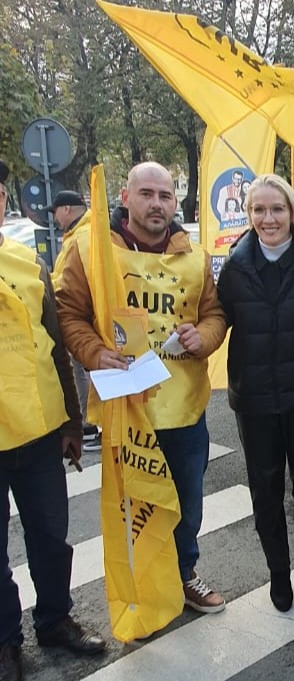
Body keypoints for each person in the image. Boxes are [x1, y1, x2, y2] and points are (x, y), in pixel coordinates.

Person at [55, 161, 228, 618]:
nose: (157, 204)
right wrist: (94, 353)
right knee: (134, 509)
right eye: (147, 194)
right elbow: (68, 313)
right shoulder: (91, 248)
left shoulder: (195, 258)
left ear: (175, 203)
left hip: (184, 408)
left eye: (165, 196)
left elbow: (214, 314)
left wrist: (204, 336)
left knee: (186, 504)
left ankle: (184, 574)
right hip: (125, 409)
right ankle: (143, 591)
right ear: (126, 198)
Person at [0, 159, 105, 681]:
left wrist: (71, 423)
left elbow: (57, 348)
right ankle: (5, 642)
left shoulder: (28, 264)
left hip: (39, 433)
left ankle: (55, 620)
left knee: (50, 538)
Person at [217, 174, 294, 612]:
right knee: (265, 493)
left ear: (292, 212)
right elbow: (215, 318)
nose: (268, 218)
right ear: (249, 214)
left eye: (277, 209)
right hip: (255, 402)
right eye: (259, 210)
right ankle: (278, 572)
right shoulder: (235, 266)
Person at [45, 190, 101, 452]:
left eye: (55, 211)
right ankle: (92, 423)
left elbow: (75, 281)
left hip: (85, 321)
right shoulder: (80, 233)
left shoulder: (82, 236)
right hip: (83, 319)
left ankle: (94, 424)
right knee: (84, 372)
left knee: (87, 373)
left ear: (66, 209)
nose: (54, 218)